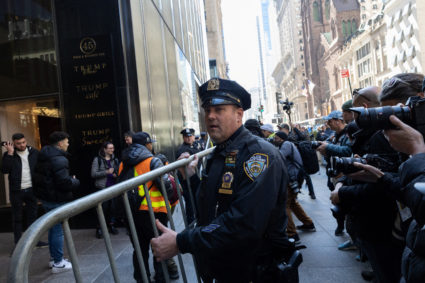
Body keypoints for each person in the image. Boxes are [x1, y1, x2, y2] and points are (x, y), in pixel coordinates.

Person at [151, 78, 292, 282]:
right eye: (207, 110)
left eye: (219, 109)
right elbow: (214, 205)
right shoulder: (221, 152)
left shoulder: (259, 156)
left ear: (239, 114)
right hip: (225, 267)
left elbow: (243, 224)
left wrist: (181, 242)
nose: (211, 116)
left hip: (254, 271)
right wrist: (190, 180)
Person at [117, 132, 178, 282]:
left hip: (132, 212)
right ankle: (161, 278)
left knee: (139, 249)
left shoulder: (123, 163)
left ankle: (142, 279)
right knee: (159, 247)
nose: (152, 145)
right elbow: (165, 186)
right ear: (147, 144)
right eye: (151, 143)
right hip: (154, 212)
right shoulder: (153, 161)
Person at [33, 131, 80, 274]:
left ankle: (55, 259)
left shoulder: (44, 155)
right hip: (56, 199)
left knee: (53, 229)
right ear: (59, 143)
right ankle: (58, 263)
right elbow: (63, 183)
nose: (68, 144)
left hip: (47, 198)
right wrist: (74, 181)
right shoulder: (59, 159)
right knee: (57, 230)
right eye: (66, 141)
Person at [1, 133, 47, 249]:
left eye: (23, 142)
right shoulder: (9, 154)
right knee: (17, 218)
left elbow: (41, 169)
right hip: (16, 191)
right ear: (13, 143)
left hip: (31, 189)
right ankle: (18, 244)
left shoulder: (34, 152)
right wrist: (10, 153)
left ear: (26, 141)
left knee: (33, 216)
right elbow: (5, 170)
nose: (22, 145)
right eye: (18, 143)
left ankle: (33, 241)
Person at [274, 131, 316, 243]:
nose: (275, 140)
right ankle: (308, 223)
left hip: (292, 177)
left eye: (276, 138)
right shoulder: (286, 144)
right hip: (295, 177)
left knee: (285, 204)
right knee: (292, 202)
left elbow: (279, 158)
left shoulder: (286, 144)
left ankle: (291, 234)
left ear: (282, 139)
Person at [316, 110, 352, 235]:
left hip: (344, 176)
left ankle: (352, 237)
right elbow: (331, 155)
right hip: (333, 175)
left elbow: (348, 151)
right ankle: (341, 226)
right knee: (337, 205)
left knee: (347, 206)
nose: (328, 124)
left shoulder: (348, 134)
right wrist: (325, 151)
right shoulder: (334, 135)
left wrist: (328, 147)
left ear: (338, 120)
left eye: (330, 121)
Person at [91, 141, 120, 239]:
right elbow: (93, 174)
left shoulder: (115, 159)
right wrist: (106, 172)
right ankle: (99, 228)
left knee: (113, 208)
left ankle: (111, 225)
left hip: (113, 187)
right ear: (105, 149)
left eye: (113, 148)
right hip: (102, 188)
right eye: (110, 148)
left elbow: (118, 171)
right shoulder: (97, 160)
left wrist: (116, 174)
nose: (112, 150)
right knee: (102, 209)